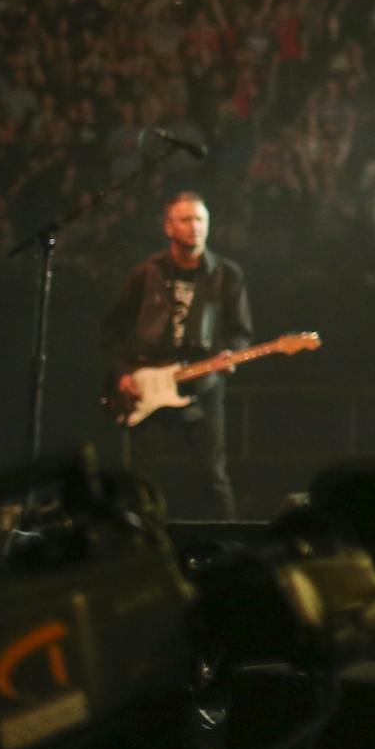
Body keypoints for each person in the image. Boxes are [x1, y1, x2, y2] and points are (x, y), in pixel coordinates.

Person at [100, 190, 249, 520]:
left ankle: (229, 545)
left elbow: (239, 330)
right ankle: (142, 547)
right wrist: (123, 372)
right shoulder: (146, 273)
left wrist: (231, 354)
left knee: (213, 476)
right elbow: (113, 329)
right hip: (148, 385)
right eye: (186, 220)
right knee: (142, 480)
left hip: (202, 385)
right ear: (168, 227)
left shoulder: (226, 274)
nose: (194, 227)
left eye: (200, 220)